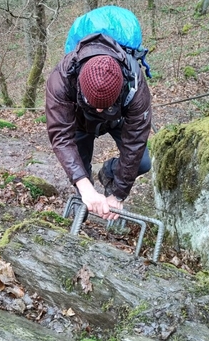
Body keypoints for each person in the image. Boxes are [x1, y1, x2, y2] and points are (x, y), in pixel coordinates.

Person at [45, 32, 152, 221]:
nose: (100, 110)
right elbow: (60, 135)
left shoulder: (134, 83)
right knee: (81, 172)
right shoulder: (62, 79)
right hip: (80, 123)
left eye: (106, 105)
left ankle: (108, 172)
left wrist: (119, 193)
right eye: (94, 104)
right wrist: (85, 187)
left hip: (118, 119)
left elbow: (135, 141)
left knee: (142, 163)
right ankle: (83, 206)